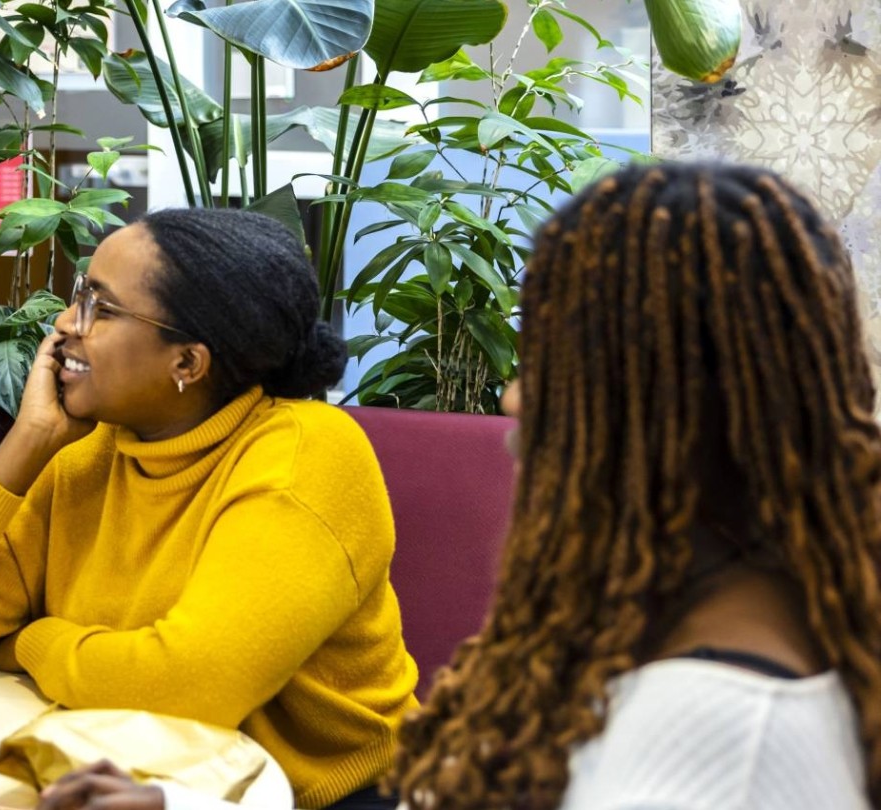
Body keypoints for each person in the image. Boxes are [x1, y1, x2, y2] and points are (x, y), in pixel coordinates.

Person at [42, 164, 881, 809]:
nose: (515, 398)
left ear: (662, 405)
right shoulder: (705, 621)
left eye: (551, 360)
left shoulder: (721, 740)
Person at [0, 207, 418, 810]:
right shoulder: (86, 453)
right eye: (78, 295)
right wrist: (25, 445)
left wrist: (31, 641)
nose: (66, 324)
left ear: (187, 363)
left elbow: (187, 688)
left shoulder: (306, 456)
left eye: (102, 308)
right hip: (136, 775)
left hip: (336, 795)